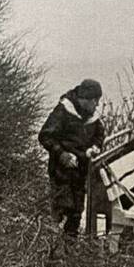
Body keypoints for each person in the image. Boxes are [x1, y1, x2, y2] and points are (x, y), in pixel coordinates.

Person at [38, 78, 106, 237]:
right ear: (86, 99)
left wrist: (95, 147)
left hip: (81, 170)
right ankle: (52, 243)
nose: (97, 105)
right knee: (61, 208)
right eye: (95, 100)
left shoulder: (92, 116)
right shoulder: (63, 111)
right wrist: (62, 154)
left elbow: (99, 134)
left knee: (77, 211)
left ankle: (70, 244)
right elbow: (45, 136)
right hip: (61, 171)